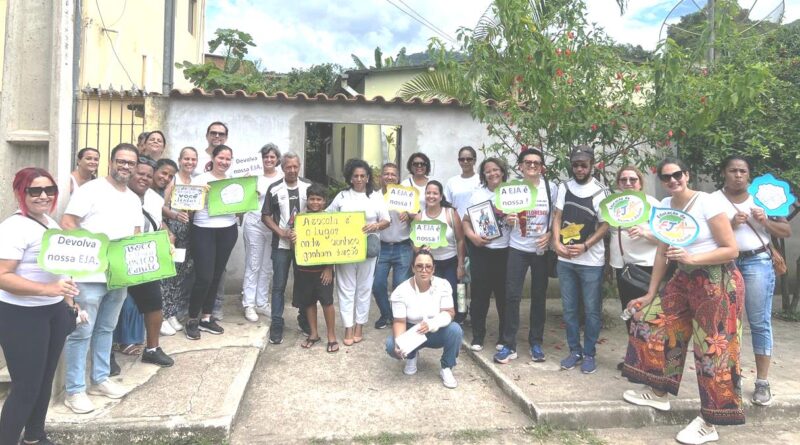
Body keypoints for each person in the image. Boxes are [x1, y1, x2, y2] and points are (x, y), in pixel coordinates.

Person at [621, 157, 744, 445]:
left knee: (714, 350)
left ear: (687, 175)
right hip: (684, 278)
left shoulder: (707, 203)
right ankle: (660, 391)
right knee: (653, 322)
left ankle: (711, 421)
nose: (673, 180)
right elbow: (662, 250)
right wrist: (651, 292)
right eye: (666, 178)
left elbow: (731, 249)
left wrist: (692, 258)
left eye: (677, 175)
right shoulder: (664, 207)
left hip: (717, 280)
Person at [61, 143, 143, 414]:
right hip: (89, 274)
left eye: (130, 163)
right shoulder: (91, 190)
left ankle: (100, 378)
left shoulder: (133, 198)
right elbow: (68, 222)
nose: (125, 167)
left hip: (118, 277)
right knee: (81, 331)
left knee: (106, 328)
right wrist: (93, 252)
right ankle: (74, 391)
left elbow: (134, 235)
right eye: (121, 161)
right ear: (111, 162)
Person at [0, 168, 79, 445]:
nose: (44, 196)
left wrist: (70, 304)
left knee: (44, 380)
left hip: (53, 311)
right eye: (35, 190)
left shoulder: (49, 222)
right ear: (20, 193)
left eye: (49, 190)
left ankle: (34, 436)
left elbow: (61, 269)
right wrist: (48, 289)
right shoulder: (14, 227)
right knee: (25, 387)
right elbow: (2, 276)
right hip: (21, 315)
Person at [714, 155, 791, 407]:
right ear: (724, 173)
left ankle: (762, 382)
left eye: (742, 171)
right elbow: (706, 234)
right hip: (726, 264)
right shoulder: (713, 200)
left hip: (758, 263)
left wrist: (764, 221)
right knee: (726, 324)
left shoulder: (763, 198)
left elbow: (785, 231)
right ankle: (730, 376)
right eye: (733, 170)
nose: (738, 175)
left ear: (749, 175)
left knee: (759, 322)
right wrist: (730, 224)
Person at [494, 148, 558, 364]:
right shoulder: (511, 189)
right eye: (528, 162)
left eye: (537, 163)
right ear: (520, 166)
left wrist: (549, 235)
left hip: (540, 250)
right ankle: (509, 344)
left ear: (542, 167)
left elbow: (556, 217)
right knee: (512, 296)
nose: (532, 166)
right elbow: (502, 216)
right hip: (517, 248)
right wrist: (508, 219)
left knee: (539, 297)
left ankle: (536, 343)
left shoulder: (552, 188)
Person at [551, 145, 610, 374]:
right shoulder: (564, 188)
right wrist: (556, 243)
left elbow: (605, 225)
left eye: (583, 165)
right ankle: (574, 350)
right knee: (569, 309)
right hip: (565, 260)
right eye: (575, 164)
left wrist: (586, 245)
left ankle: (589, 353)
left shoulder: (600, 192)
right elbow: (557, 216)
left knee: (592, 310)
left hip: (591, 262)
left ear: (591, 165)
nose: (579, 169)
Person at [118, 156, 175, 367]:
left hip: (144, 258)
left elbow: (158, 224)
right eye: (140, 173)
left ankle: (152, 349)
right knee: (112, 306)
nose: (144, 178)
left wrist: (168, 236)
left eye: (148, 176)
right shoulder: (117, 194)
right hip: (118, 256)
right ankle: (107, 354)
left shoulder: (155, 199)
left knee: (154, 303)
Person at [327, 158, 390, 345]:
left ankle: (359, 325)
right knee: (346, 289)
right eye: (356, 176)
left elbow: (386, 221)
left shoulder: (376, 197)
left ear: (368, 177)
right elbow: (326, 216)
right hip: (345, 250)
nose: (360, 179)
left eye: (363, 176)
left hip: (368, 250)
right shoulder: (342, 196)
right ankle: (348, 326)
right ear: (350, 178)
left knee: (364, 288)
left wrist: (374, 226)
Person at [384, 248, 463, 389]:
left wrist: (433, 323)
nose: (424, 270)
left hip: (435, 332)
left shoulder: (443, 285)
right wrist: (401, 344)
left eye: (428, 266)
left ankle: (446, 367)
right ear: (413, 268)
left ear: (433, 269)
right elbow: (399, 321)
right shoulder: (400, 292)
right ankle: (411, 355)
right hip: (412, 332)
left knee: (455, 330)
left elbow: (450, 313)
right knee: (391, 344)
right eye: (419, 266)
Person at [184, 144, 238, 340]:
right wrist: (200, 193)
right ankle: (191, 319)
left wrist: (249, 197)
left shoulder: (234, 182)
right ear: (213, 158)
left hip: (228, 229)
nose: (224, 162)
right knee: (204, 277)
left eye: (228, 159)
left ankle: (206, 318)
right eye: (221, 158)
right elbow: (186, 207)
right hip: (203, 229)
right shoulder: (199, 180)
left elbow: (239, 209)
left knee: (216, 275)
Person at [608, 166, 659, 369]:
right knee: (628, 313)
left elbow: (667, 238)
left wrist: (645, 233)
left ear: (640, 182)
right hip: (622, 266)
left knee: (644, 316)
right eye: (623, 180)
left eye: (632, 180)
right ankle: (635, 357)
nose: (628, 183)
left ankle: (648, 360)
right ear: (618, 183)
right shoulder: (614, 205)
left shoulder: (652, 204)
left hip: (645, 267)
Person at [262, 152, 312, 344]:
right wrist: (280, 231)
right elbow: (265, 215)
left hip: (304, 246)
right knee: (279, 285)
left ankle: (303, 318)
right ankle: (277, 322)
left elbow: (319, 210)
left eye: (295, 166)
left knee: (303, 283)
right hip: (281, 245)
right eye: (288, 167)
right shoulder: (274, 188)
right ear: (282, 168)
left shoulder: (308, 186)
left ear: (299, 167)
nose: (292, 170)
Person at [462, 157, 511, 351]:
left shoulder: (511, 193)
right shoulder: (477, 195)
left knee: (504, 297)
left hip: (506, 251)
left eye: (496, 170)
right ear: (483, 175)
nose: (492, 174)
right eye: (488, 171)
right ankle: (478, 336)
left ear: (502, 171)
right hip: (482, 251)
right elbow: (465, 221)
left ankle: (503, 338)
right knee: (479, 296)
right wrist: (473, 237)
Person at [292, 183, 339, 352]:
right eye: (312, 199)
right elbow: (294, 245)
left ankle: (331, 336)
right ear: (307, 200)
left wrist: (328, 267)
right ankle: (313, 334)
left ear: (324, 202)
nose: (315, 202)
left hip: (323, 271)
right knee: (309, 303)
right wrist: (293, 238)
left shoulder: (329, 219)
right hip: (304, 269)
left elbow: (334, 244)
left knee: (327, 302)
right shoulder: (300, 219)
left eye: (319, 199)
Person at [242, 143, 284, 322]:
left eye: (272, 157)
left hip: (273, 227)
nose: (269, 160)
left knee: (267, 266)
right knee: (253, 264)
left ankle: (261, 302)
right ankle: (249, 304)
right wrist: (245, 186)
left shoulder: (282, 178)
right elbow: (242, 201)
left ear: (277, 159)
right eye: (266, 157)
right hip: (254, 224)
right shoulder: (253, 177)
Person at [415, 180, 466, 321]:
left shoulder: (450, 213)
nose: (431, 196)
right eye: (428, 193)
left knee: (452, 293)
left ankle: (455, 322)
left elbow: (461, 239)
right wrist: (421, 249)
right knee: (432, 295)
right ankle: (435, 322)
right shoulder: (420, 217)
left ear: (441, 196)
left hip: (451, 261)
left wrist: (461, 265)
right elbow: (414, 244)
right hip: (431, 264)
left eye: (435, 193)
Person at [160, 147, 197, 333]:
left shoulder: (197, 182)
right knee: (168, 275)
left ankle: (172, 312)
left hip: (189, 235)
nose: (190, 162)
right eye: (186, 159)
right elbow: (162, 207)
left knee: (181, 275)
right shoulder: (173, 180)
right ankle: (163, 315)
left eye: (193, 159)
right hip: (173, 234)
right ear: (180, 160)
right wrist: (175, 216)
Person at [372, 163, 413, 330]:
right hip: (381, 247)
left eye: (393, 175)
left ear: (398, 178)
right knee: (378, 284)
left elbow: (417, 217)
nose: (389, 177)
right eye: (386, 174)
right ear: (381, 177)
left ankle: (399, 317)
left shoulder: (406, 196)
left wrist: (409, 214)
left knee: (400, 285)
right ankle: (386, 314)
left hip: (402, 246)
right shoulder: (373, 196)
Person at [444, 146, 480, 219]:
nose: (465, 162)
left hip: (478, 224)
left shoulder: (481, 180)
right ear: (459, 161)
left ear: (474, 161)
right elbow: (447, 206)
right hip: (457, 225)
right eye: (462, 159)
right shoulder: (451, 182)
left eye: (469, 159)